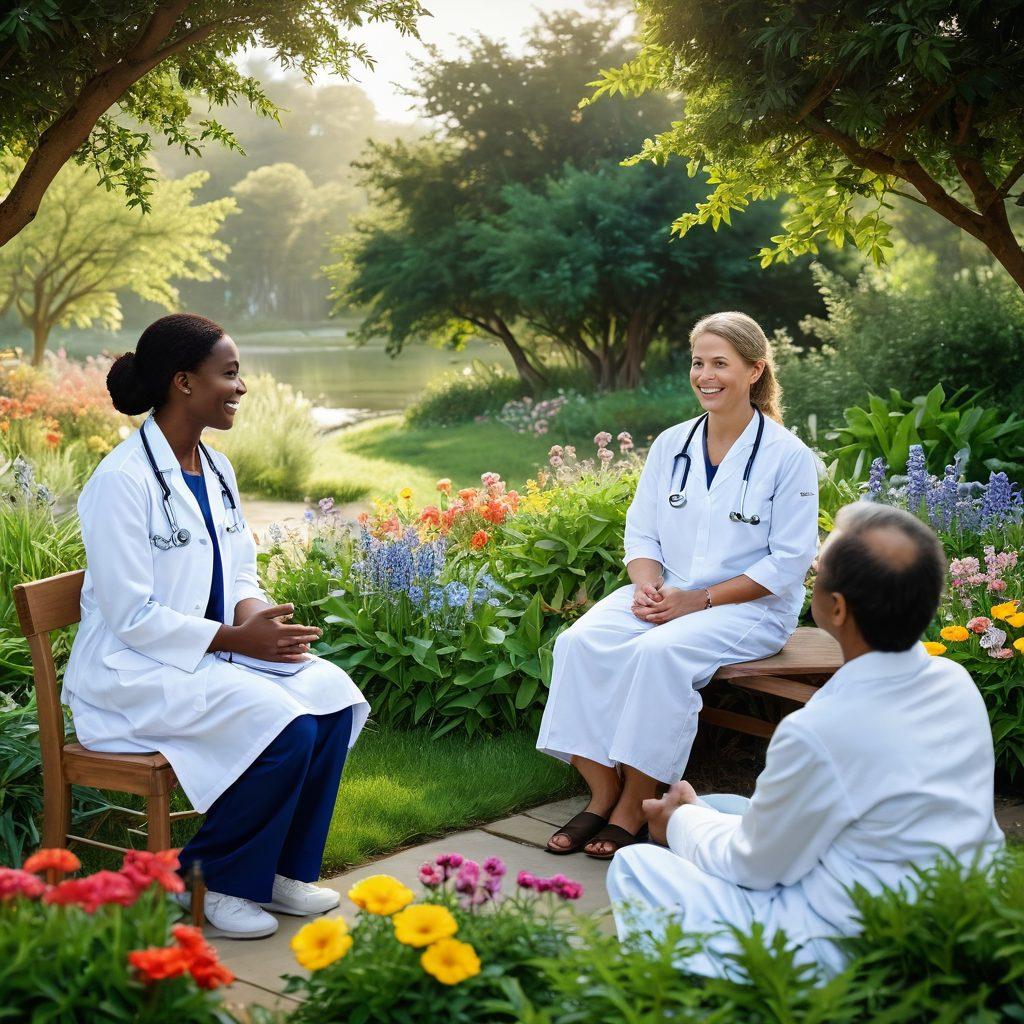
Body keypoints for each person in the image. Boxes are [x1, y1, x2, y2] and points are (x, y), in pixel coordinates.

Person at [62, 313, 370, 940]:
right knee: (284, 727)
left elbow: (240, 578)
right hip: (130, 672)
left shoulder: (217, 471)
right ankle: (207, 877)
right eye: (228, 374)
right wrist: (237, 640)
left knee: (332, 698)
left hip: (206, 656)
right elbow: (131, 616)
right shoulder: (120, 482)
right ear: (183, 382)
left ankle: (281, 871)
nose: (241, 386)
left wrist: (262, 623)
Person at [607, 502, 1005, 978]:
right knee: (722, 807)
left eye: (817, 572)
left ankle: (703, 1001)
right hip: (951, 909)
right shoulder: (954, 681)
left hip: (857, 941)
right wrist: (697, 816)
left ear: (835, 609)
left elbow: (753, 865)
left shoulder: (821, 729)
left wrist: (676, 821)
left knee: (637, 866)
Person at [536, 311, 820, 859]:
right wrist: (647, 585)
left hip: (750, 607)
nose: (705, 375)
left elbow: (787, 563)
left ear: (755, 370)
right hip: (670, 593)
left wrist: (699, 600)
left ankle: (635, 806)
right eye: (698, 362)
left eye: (721, 363)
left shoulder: (787, 457)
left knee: (661, 655)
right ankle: (602, 793)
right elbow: (641, 532)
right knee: (577, 643)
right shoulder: (674, 444)